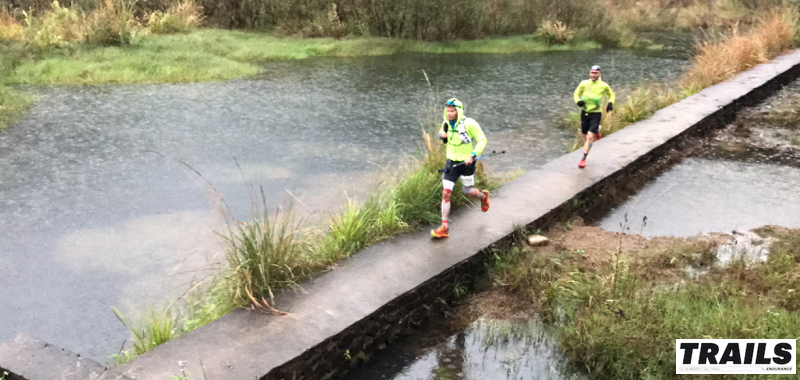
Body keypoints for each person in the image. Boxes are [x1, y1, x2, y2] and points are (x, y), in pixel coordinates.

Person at [431, 98, 490, 239]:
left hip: (467, 164)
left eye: (452, 111)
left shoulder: (469, 123)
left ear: (458, 111)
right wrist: (441, 135)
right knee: (446, 193)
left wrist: (473, 155)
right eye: (448, 111)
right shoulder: (446, 123)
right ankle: (444, 227)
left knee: (468, 192)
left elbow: (482, 140)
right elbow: (441, 133)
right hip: (451, 163)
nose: (449, 114)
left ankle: (483, 197)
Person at [574, 64, 615, 168]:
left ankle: (583, 159)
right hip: (585, 113)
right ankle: (597, 131)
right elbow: (576, 94)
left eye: (595, 73)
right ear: (590, 73)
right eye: (592, 73)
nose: (593, 75)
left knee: (590, 137)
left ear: (599, 74)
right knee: (585, 136)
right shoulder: (583, 83)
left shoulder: (603, 85)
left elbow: (611, 95)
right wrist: (578, 101)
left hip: (596, 113)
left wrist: (611, 103)